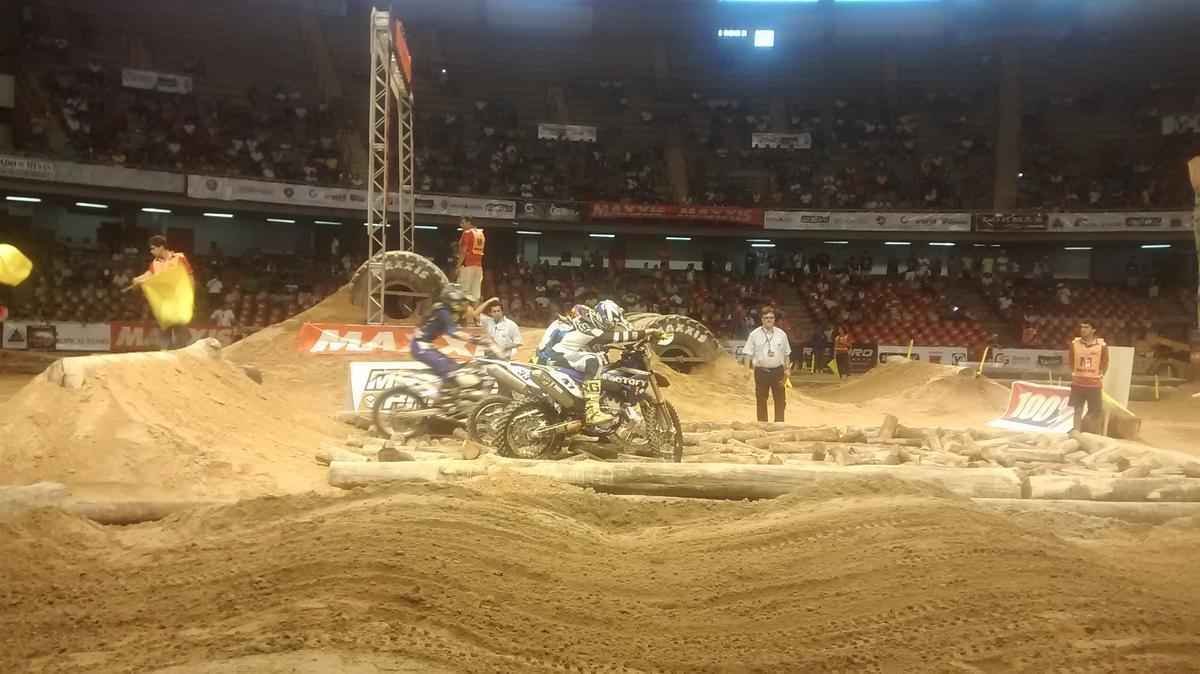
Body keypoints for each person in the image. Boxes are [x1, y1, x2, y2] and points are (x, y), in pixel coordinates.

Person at [549, 302, 658, 425]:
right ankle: (592, 412)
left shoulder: (585, 319)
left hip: (557, 356)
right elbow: (612, 337)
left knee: (597, 359)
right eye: (609, 324)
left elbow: (604, 339)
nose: (609, 327)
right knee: (594, 362)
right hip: (558, 355)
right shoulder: (589, 326)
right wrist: (647, 332)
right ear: (602, 318)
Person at [410, 284, 495, 389]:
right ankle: (442, 396)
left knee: (454, 366)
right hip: (420, 347)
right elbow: (454, 333)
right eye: (462, 301)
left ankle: (452, 393)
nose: (465, 305)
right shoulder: (443, 312)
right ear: (453, 300)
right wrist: (477, 340)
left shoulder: (444, 310)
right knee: (447, 369)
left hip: (426, 345)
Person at [131, 235, 193, 350]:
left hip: (179, 300)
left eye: (153, 248)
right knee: (165, 327)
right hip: (165, 302)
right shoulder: (155, 263)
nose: (151, 251)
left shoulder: (179, 257)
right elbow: (148, 274)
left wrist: (190, 296)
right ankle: (164, 352)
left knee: (179, 328)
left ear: (161, 247)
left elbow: (189, 276)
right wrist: (137, 279)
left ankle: (184, 351)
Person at [743, 306, 791, 422]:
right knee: (761, 399)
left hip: (778, 372)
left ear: (774, 319)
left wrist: (787, 369)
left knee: (780, 400)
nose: (769, 320)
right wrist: (746, 371)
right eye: (766, 318)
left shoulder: (782, 334)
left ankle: (779, 424)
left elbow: (786, 354)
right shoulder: (754, 335)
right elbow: (747, 354)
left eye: (771, 317)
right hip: (761, 372)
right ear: (762, 320)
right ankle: (762, 425)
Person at [1069, 320, 1109, 434]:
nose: (1083, 329)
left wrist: (1099, 375)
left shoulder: (1102, 345)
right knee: (1077, 409)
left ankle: (1089, 432)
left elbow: (1105, 362)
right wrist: (1076, 374)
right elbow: (1071, 360)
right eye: (1082, 327)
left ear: (1093, 330)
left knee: (1095, 411)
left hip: (1094, 384)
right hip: (1078, 383)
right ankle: (1076, 431)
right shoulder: (1074, 344)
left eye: (1086, 327)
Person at [456, 216, 485, 303]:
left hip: (467, 266)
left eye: (463, 223)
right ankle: (475, 314)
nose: (461, 225)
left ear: (469, 223)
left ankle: (464, 315)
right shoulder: (481, 234)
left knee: (464, 292)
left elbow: (464, 251)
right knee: (475, 294)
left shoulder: (467, 233)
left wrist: (458, 266)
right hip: (478, 267)